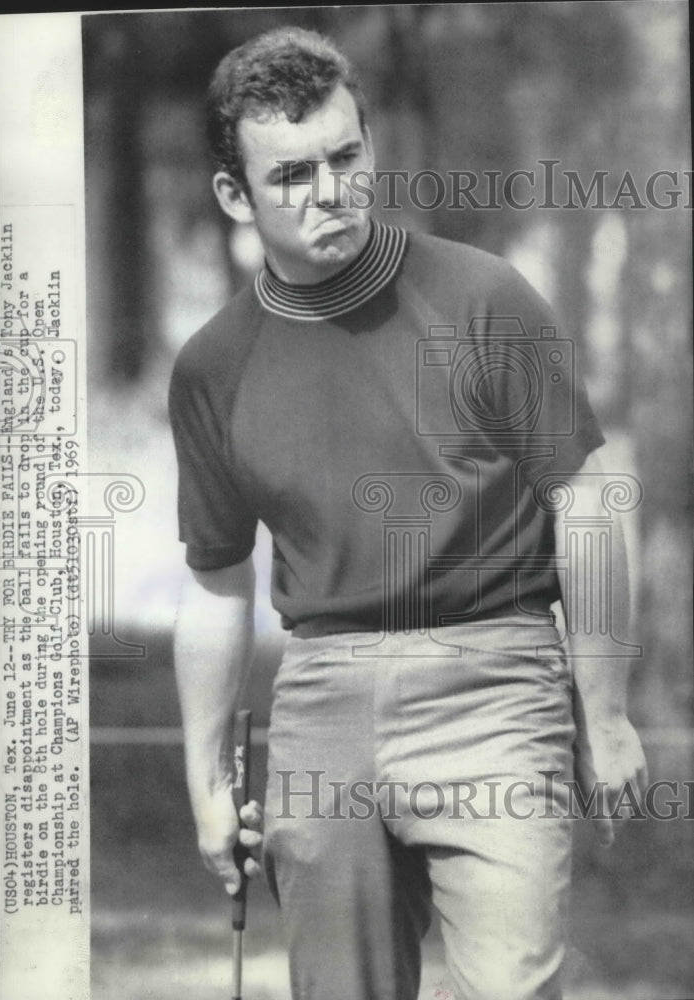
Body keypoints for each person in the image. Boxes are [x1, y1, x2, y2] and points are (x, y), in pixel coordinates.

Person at [169, 26, 648, 1000]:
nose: (330, 192)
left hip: (494, 680)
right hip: (321, 700)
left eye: (346, 157)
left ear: (370, 147)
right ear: (235, 195)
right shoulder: (214, 368)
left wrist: (604, 714)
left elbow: (589, 500)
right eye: (291, 174)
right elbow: (218, 580)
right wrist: (206, 780)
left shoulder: (481, 299)